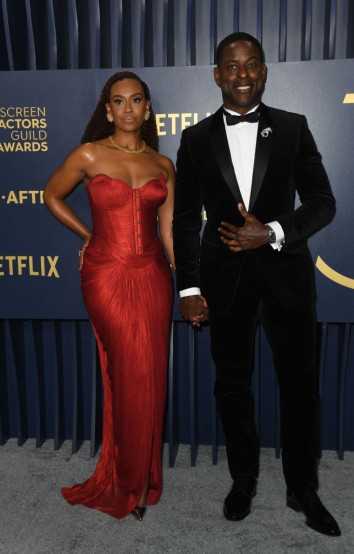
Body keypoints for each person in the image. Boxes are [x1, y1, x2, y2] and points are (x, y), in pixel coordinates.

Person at [173, 32, 341, 536]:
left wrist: (271, 231)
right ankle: (242, 478)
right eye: (232, 65)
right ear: (217, 73)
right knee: (231, 384)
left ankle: (302, 489)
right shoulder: (195, 138)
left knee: (300, 387)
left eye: (252, 65)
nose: (242, 74)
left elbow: (322, 200)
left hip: (286, 276)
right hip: (222, 282)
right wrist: (188, 288)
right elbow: (183, 219)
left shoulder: (293, 128)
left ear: (264, 72)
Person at [44, 71, 175, 521]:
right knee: (127, 371)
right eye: (118, 102)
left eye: (136, 100)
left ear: (148, 107)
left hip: (154, 276)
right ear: (107, 110)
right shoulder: (89, 154)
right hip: (106, 275)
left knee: (152, 375)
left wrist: (190, 281)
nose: (128, 109)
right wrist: (87, 236)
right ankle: (126, 481)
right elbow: (51, 196)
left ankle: (141, 478)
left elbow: (169, 231)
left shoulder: (163, 165)